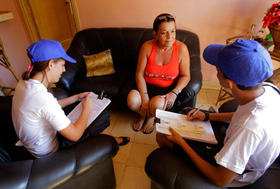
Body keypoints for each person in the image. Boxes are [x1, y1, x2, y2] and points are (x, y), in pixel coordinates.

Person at [156, 39, 280, 187]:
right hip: (238, 144)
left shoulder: (249, 128)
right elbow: (242, 115)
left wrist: (181, 143)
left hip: (234, 174)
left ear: (229, 83)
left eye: (218, 68)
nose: (216, 70)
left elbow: (220, 179)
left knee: (163, 137)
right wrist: (208, 116)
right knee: (186, 113)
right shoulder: (266, 89)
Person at [12, 39, 129, 158]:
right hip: (50, 150)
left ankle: (107, 135)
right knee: (102, 116)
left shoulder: (24, 83)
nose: (64, 70)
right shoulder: (42, 98)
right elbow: (75, 135)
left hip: (40, 139)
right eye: (62, 65)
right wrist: (86, 109)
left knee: (79, 106)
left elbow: (50, 106)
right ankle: (109, 138)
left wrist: (76, 97)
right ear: (51, 64)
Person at [127, 13, 190, 134]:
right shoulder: (147, 47)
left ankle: (151, 118)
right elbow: (139, 74)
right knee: (132, 100)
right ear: (155, 34)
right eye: (163, 32)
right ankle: (142, 114)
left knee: (157, 104)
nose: (169, 37)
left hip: (165, 88)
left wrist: (174, 92)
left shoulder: (182, 49)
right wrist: (144, 97)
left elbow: (186, 76)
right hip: (145, 85)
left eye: (173, 31)